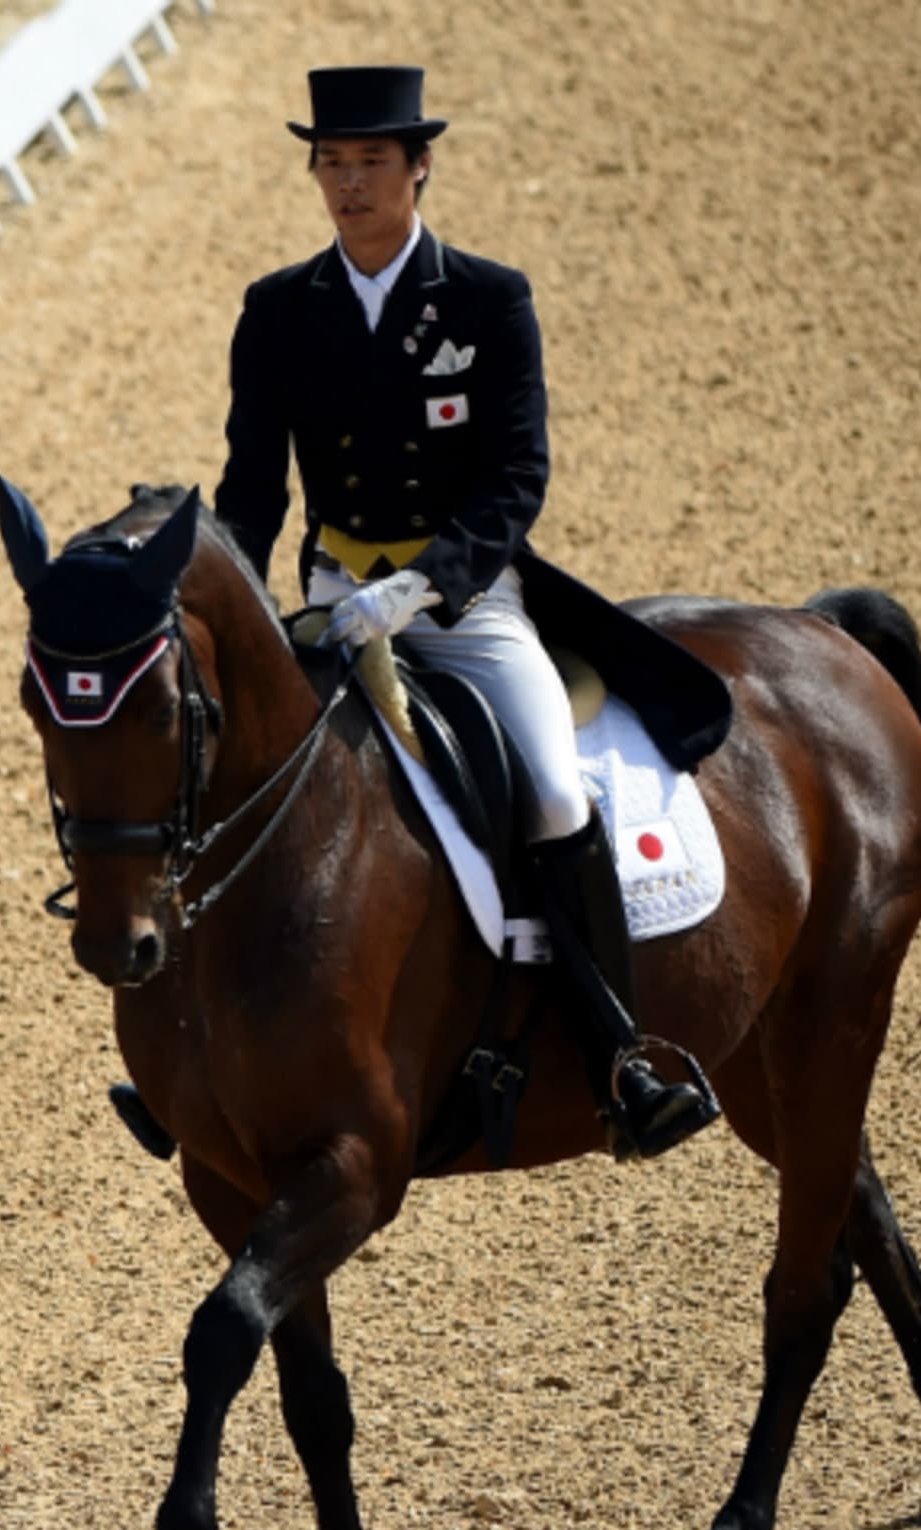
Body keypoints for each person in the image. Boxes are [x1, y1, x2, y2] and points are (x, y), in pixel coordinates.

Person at [212, 64, 719, 1159]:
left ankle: (617, 1054)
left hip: (463, 605)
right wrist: (250, 600)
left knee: (543, 787)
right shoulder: (276, 312)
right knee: (232, 775)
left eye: (369, 164)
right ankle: (196, 1059)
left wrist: (424, 583)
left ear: (417, 166)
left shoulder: (486, 300)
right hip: (336, 605)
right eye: (330, 164)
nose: (347, 187)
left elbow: (515, 478)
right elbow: (251, 486)